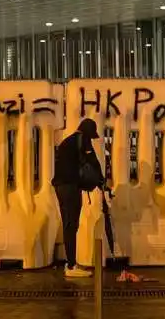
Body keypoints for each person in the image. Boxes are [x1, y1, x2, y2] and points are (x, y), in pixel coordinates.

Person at [52, 118, 105, 278]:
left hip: (61, 187)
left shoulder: (68, 142)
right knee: (71, 224)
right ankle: (71, 265)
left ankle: (71, 262)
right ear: (88, 132)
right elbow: (93, 162)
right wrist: (101, 181)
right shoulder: (83, 141)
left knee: (69, 224)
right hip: (70, 187)